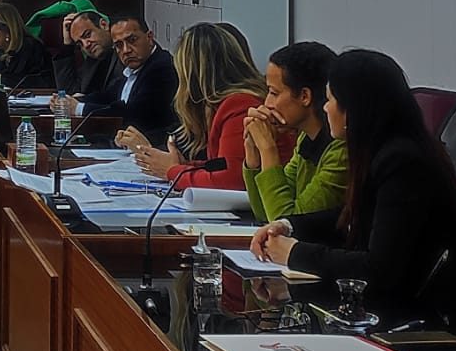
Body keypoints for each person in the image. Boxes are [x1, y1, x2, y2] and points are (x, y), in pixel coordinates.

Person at [255, 49, 456, 335]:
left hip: (449, 325)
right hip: (408, 309)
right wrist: (289, 226)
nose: (325, 108)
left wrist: (295, 253)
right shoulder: (384, 150)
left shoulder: (404, 162)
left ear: (354, 109)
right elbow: (353, 216)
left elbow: (379, 269)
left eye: (331, 99)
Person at [132, 23, 263, 190]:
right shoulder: (224, 104)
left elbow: (230, 180)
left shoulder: (240, 105)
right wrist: (184, 166)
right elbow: (218, 166)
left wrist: (172, 171)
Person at [242, 41, 348, 222]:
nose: (267, 103)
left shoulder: (341, 152)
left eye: (274, 93)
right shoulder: (306, 138)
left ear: (305, 96)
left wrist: (268, 149)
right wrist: (253, 156)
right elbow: (265, 213)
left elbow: (288, 223)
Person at [66, 13, 177, 148]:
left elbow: (132, 113)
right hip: (124, 145)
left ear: (149, 37)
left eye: (132, 40)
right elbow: (108, 96)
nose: (126, 50)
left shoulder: (162, 67)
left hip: (152, 148)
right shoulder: (135, 68)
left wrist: (79, 108)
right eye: (119, 45)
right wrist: (73, 101)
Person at [0, 2, 50, 91]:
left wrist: (4, 79)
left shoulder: (31, 47)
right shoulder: (1, 50)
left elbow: (41, 82)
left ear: (7, 29)